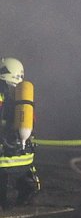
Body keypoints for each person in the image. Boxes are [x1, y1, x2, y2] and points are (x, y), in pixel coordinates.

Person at [0, 57, 40, 209]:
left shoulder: (2, 94)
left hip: (4, 157)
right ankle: (29, 188)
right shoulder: (22, 96)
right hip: (25, 157)